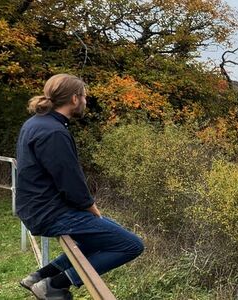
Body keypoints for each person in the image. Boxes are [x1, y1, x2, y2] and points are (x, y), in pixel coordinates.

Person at [15, 74, 144, 300]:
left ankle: (40, 276)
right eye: (84, 96)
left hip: (38, 207)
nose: (86, 101)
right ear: (74, 99)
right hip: (50, 213)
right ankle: (54, 285)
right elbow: (70, 181)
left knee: (106, 232)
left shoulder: (36, 123)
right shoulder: (54, 132)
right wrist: (90, 207)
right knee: (131, 245)